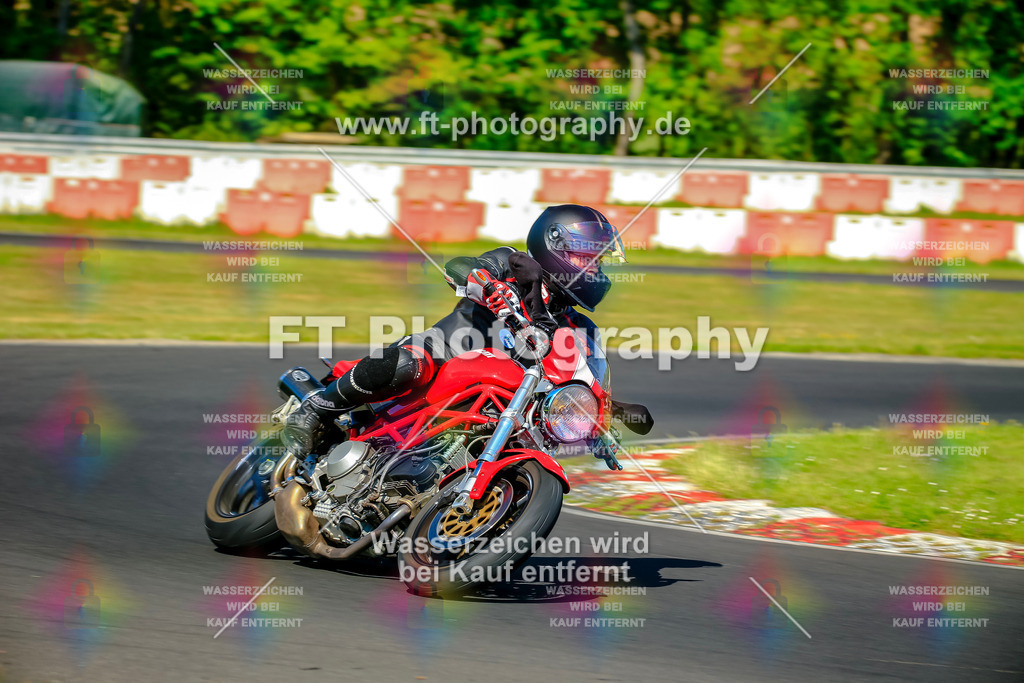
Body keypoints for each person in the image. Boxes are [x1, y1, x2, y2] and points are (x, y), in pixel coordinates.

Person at [283, 203, 652, 456]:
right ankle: (317, 408)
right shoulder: (514, 264)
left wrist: (604, 418)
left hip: (497, 402)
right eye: (585, 257)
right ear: (554, 244)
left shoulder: (579, 328)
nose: (594, 270)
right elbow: (461, 267)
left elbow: (584, 383)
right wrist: (487, 284)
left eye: (598, 262)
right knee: (406, 365)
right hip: (446, 353)